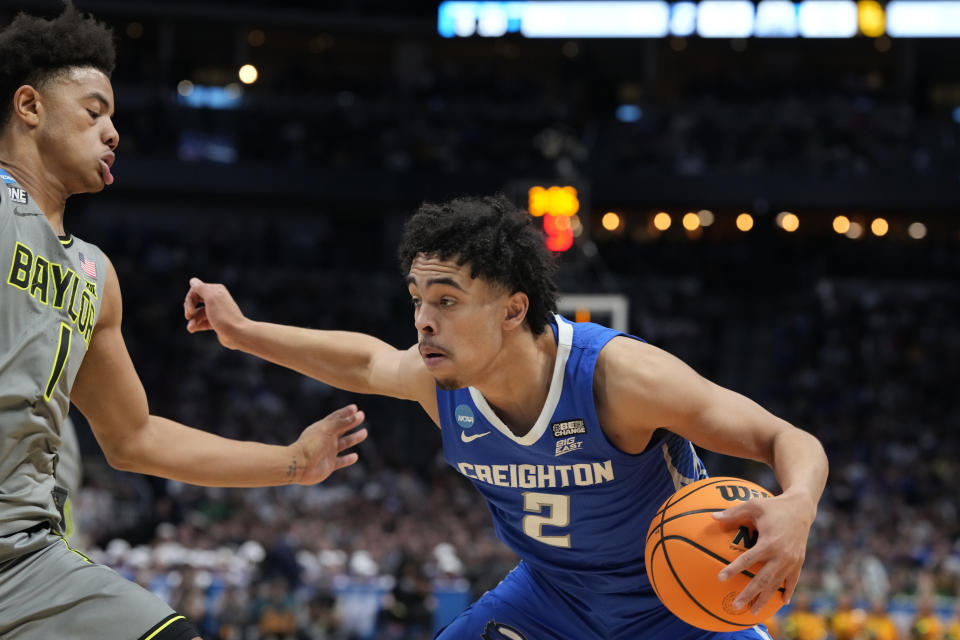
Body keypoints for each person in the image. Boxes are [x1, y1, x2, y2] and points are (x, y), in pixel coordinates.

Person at [185, 194, 828, 640]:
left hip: (676, 601)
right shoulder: (439, 383)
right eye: (417, 300)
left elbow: (783, 437)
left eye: (447, 300)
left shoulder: (620, 379)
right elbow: (365, 362)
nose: (423, 321)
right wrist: (242, 333)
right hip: (551, 599)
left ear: (514, 310)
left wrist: (796, 506)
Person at [0, 6, 367, 640]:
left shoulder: (95, 275)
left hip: (28, 557)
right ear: (29, 106)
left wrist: (292, 461)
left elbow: (135, 436)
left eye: (113, 117)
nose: (113, 132)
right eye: (94, 112)